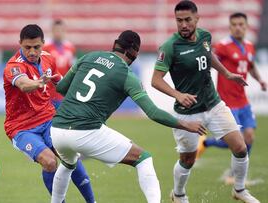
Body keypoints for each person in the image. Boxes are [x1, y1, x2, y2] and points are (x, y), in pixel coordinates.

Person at [50, 30, 207, 203]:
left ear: (116, 44)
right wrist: (186, 124)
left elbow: (61, 88)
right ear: (132, 51)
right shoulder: (127, 75)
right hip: (86, 131)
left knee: (68, 164)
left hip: (57, 130)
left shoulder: (89, 57)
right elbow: (153, 112)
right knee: (143, 158)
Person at [151, 1, 260, 203]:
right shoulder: (170, 46)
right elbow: (155, 80)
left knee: (240, 147)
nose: (183, 25)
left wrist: (226, 73)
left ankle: (239, 189)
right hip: (187, 113)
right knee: (188, 159)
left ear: (197, 19)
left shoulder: (205, 36)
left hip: (214, 104)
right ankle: (179, 194)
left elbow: (208, 55)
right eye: (179, 21)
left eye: (187, 20)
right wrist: (177, 95)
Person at [3, 24, 96, 203]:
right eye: (27, 47)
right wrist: (38, 83)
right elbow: (23, 84)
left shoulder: (48, 59)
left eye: (36, 47)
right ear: (20, 44)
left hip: (48, 119)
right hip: (22, 128)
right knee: (49, 161)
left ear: (43, 44)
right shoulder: (13, 66)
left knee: (69, 156)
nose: (32, 51)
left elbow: (60, 82)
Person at [197, 12, 267, 185]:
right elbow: (208, 61)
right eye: (234, 24)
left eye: (241, 24)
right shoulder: (223, 46)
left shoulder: (249, 46)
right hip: (227, 102)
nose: (238, 27)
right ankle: (207, 142)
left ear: (246, 26)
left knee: (249, 137)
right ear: (230, 27)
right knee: (235, 141)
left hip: (243, 101)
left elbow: (250, 65)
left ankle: (236, 175)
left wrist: (260, 80)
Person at [43, 19, 76, 109]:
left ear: (64, 31)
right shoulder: (45, 47)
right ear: (52, 31)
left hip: (62, 91)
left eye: (61, 30)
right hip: (47, 91)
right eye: (56, 30)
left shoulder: (70, 47)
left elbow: (72, 68)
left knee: (60, 120)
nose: (58, 33)